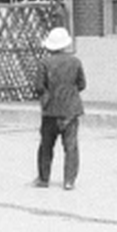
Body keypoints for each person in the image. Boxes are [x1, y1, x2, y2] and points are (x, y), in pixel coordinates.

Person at [33, 27, 86, 190]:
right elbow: (82, 84)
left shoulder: (44, 63)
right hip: (71, 109)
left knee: (46, 145)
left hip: (50, 110)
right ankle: (69, 180)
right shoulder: (75, 62)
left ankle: (44, 178)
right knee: (71, 147)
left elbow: (39, 86)